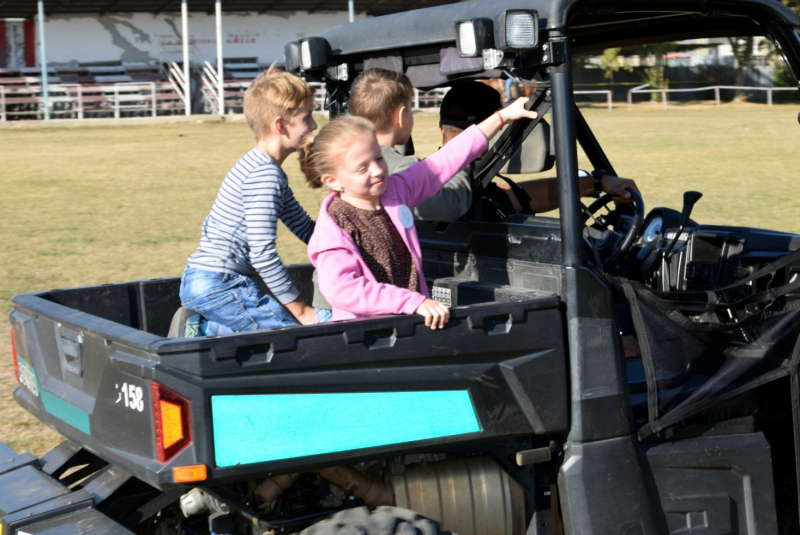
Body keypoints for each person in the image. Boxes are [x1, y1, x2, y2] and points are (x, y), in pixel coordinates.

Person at [302, 98, 538, 329]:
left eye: (379, 158)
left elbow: (444, 160)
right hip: (369, 338)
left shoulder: (395, 189)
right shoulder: (334, 226)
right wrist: (411, 301)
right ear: (333, 181)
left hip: (409, 325)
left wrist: (501, 118)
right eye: (362, 167)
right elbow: (342, 290)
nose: (377, 170)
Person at [352, 76, 638, 222]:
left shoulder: (396, 171)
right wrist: (598, 182)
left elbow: (517, 196)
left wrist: (597, 182)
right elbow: (523, 199)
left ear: (441, 130)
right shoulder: (444, 188)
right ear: (492, 135)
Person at [180, 66, 325, 335]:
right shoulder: (265, 176)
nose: (315, 125)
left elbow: (304, 227)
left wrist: (348, 244)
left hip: (208, 282)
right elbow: (263, 255)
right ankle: (199, 332)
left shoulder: (264, 168)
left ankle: (204, 329)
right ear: (281, 125)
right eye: (307, 117)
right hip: (220, 284)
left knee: (268, 336)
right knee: (290, 336)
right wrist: (302, 310)